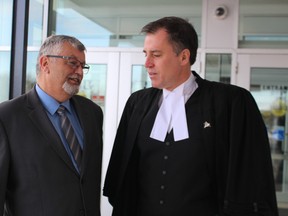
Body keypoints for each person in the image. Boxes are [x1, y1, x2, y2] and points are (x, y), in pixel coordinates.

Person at [103, 17, 279, 216]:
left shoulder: (230, 102)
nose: (147, 63)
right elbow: (121, 175)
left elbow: (251, 178)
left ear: (184, 57)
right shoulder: (137, 103)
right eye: (146, 54)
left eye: (156, 55)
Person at [0, 35, 103, 216]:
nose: (79, 72)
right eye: (72, 63)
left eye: (82, 66)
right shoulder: (7, 117)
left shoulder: (92, 113)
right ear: (45, 63)